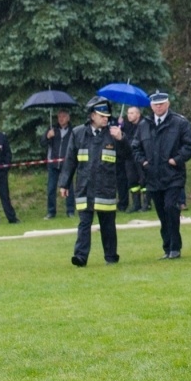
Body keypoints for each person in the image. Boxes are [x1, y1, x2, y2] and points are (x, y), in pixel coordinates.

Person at [59, 96, 129, 266]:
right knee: (84, 223)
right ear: (92, 115)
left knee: (108, 225)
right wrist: (64, 183)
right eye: (102, 116)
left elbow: (128, 156)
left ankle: (111, 256)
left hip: (106, 187)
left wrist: (121, 139)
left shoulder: (114, 134)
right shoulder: (78, 133)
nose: (106, 119)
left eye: (107, 116)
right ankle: (80, 257)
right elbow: (70, 160)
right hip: (84, 187)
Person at [132, 91, 191, 259]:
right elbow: (135, 147)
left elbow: (190, 145)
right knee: (162, 213)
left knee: (170, 208)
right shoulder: (144, 125)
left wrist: (176, 160)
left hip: (173, 175)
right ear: (151, 106)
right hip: (153, 176)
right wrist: (144, 162)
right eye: (155, 104)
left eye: (161, 104)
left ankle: (175, 247)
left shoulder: (179, 122)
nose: (159, 107)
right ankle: (167, 247)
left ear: (168, 104)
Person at [40, 109, 75, 219]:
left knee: (68, 188)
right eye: (59, 116)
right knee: (51, 188)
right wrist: (47, 136)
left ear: (68, 118)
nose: (61, 119)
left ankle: (70, 211)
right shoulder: (52, 129)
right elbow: (42, 143)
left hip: (67, 164)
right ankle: (51, 212)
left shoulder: (72, 131)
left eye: (63, 116)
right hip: (53, 163)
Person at [122, 106, 149, 212]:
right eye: (128, 113)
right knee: (132, 179)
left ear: (138, 114)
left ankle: (146, 203)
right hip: (129, 156)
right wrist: (120, 126)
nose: (129, 115)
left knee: (144, 179)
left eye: (132, 113)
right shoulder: (126, 124)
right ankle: (136, 204)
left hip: (140, 155)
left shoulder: (144, 124)